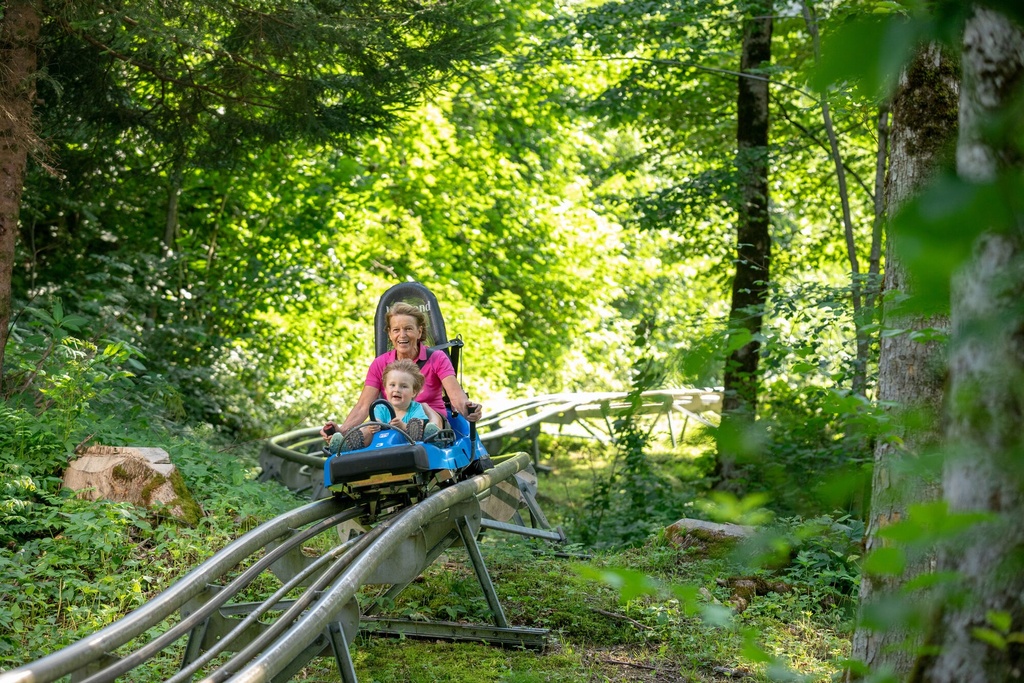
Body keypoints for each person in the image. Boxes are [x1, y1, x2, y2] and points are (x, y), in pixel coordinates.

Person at [322, 301, 482, 443]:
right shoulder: (380, 364)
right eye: (396, 330)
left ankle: (428, 434)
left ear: (419, 332)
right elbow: (363, 406)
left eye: (408, 329)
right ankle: (346, 444)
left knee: (426, 409)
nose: (402, 335)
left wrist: (468, 411)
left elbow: (455, 395)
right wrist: (342, 430)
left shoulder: (437, 358)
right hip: (392, 420)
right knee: (372, 425)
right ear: (390, 334)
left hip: (428, 418)